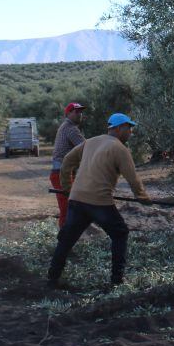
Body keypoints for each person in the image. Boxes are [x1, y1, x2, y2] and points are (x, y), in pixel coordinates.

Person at [47, 113, 151, 289]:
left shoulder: (90, 142)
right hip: (99, 202)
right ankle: (117, 280)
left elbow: (67, 161)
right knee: (120, 233)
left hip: (77, 199)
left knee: (66, 239)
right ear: (118, 128)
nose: (131, 132)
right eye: (129, 128)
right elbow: (132, 178)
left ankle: (52, 278)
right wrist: (143, 197)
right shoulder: (120, 149)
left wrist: (67, 188)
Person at [50, 102, 86, 228]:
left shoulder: (65, 127)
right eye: (76, 111)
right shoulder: (70, 129)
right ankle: (64, 243)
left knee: (74, 206)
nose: (80, 114)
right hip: (62, 174)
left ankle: (70, 239)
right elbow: (85, 147)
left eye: (81, 111)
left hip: (63, 172)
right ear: (68, 113)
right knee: (67, 209)